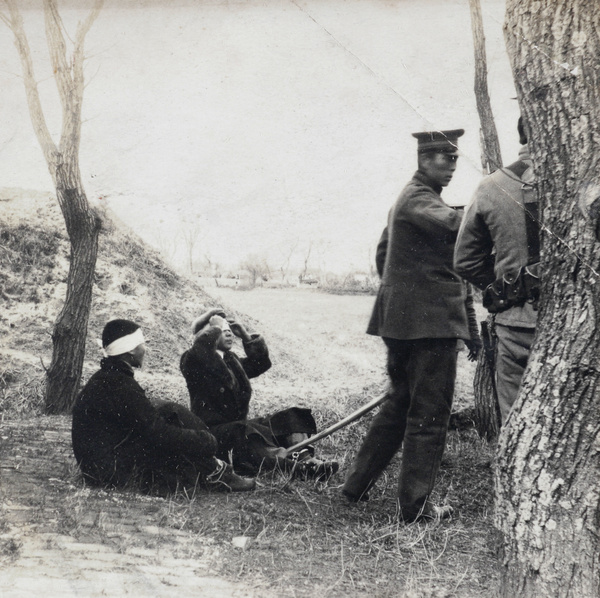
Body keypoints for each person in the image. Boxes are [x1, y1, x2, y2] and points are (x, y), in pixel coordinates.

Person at [342, 129, 481, 522]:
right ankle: (416, 509)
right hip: (427, 327)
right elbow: (459, 224)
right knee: (429, 415)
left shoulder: (412, 199)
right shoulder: (419, 198)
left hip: (405, 323)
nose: (452, 166)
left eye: (455, 159)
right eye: (445, 159)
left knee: (399, 406)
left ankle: (356, 486)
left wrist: (403, 294)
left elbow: (384, 253)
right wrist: (489, 203)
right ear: (424, 160)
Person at [72, 319, 256, 495]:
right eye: (142, 345)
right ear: (130, 351)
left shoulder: (108, 377)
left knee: (167, 410)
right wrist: (204, 441)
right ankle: (215, 473)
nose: (145, 349)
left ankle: (215, 471)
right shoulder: (120, 384)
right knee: (174, 441)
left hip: (98, 464)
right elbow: (157, 432)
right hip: (110, 472)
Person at [177, 308, 339, 480]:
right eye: (222, 331)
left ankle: (306, 458)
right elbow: (199, 349)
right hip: (214, 435)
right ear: (207, 335)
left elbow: (260, 364)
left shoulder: (231, 360)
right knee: (245, 431)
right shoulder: (192, 361)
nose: (229, 334)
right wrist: (212, 328)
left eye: (229, 330)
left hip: (238, 428)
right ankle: (297, 468)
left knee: (290, 417)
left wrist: (246, 336)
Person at [454, 117, 538, 424]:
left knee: (516, 423)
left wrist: (510, 284)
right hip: (578, 327)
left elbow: (465, 260)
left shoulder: (491, 186)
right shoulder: (583, 180)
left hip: (516, 324)